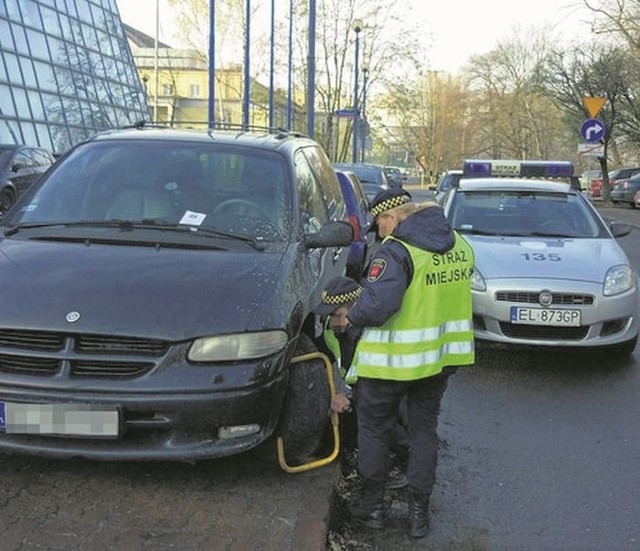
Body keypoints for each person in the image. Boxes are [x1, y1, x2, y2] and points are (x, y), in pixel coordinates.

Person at [344, 187, 475, 538]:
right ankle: (419, 513)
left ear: (393, 217)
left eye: (380, 223)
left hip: (389, 364)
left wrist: (350, 314)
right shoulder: (459, 244)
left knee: (373, 430)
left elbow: (376, 307)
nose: (379, 232)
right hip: (439, 361)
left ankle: (372, 507)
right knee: (423, 432)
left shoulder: (395, 252)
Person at [313, 276, 409, 487]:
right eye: (331, 316)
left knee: (379, 415)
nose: (335, 322)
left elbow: (380, 384)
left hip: (389, 390)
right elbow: (318, 355)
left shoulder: (372, 334)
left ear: (357, 308)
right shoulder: (334, 330)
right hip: (362, 389)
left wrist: (351, 401)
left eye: (339, 315)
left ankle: (405, 461)